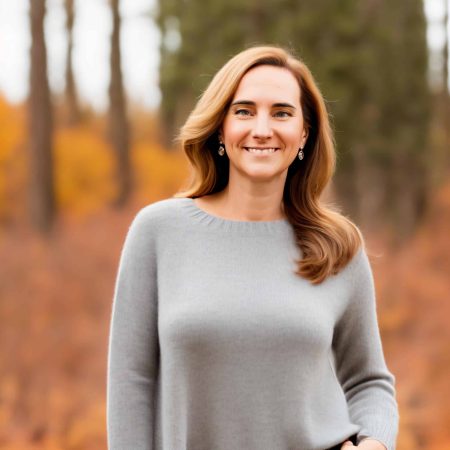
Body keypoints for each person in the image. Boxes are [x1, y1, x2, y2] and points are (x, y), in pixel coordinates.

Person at [107, 45, 399, 450]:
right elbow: (131, 382)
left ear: (304, 134)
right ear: (221, 128)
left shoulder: (338, 245)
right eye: (244, 111)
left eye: (282, 112)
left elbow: (369, 381)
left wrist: (373, 446)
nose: (262, 128)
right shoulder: (158, 232)